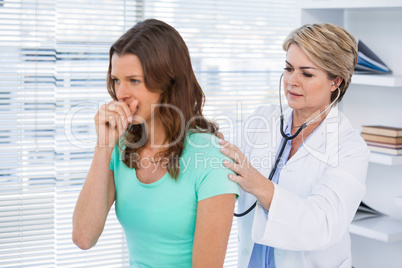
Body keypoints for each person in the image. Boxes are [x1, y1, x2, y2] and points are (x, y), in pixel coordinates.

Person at [72, 19, 239, 268]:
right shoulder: (121, 148)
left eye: (134, 81)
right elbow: (84, 238)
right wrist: (103, 147)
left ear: (168, 83)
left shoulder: (211, 156)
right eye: (117, 80)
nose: (121, 93)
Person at [219, 23, 370, 267]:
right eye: (288, 69)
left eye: (307, 73)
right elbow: (222, 166)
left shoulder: (350, 148)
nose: (292, 81)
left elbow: (323, 224)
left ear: (336, 82)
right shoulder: (262, 120)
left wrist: (259, 185)